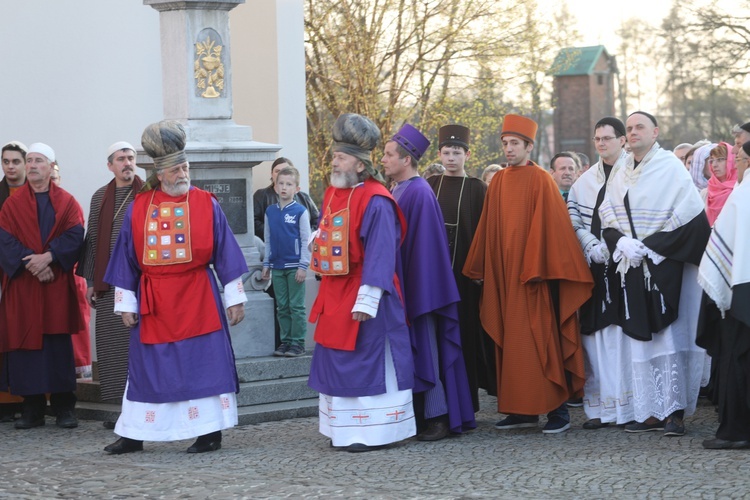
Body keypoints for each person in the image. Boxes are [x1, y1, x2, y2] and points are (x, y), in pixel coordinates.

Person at [102, 120, 248, 455]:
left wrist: (234, 297)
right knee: (148, 367)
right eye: (176, 169)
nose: (184, 173)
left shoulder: (206, 203)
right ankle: (135, 433)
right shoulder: (139, 207)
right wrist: (125, 301)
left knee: (203, 364)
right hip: (155, 301)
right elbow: (126, 253)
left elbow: (226, 250)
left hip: (198, 297)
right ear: (160, 173)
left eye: (185, 166)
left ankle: (209, 433)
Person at [463, 114, 593, 434]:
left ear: (529, 146)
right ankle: (521, 410)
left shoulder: (541, 181)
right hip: (504, 278)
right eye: (505, 143)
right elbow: (488, 229)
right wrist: (481, 267)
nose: (508, 149)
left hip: (533, 277)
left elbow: (554, 230)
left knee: (541, 341)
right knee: (510, 342)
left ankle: (557, 411)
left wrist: (535, 268)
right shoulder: (500, 182)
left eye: (514, 144)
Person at [307, 113, 415, 453]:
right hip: (334, 291)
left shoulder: (377, 199)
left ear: (360, 163)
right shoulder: (332, 193)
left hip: (366, 296)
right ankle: (343, 430)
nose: (334, 162)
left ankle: (374, 432)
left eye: (340, 157)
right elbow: (328, 228)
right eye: (334, 155)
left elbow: (381, 253)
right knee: (336, 363)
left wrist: (368, 299)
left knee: (365, 362)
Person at [598, 111, 711, 436]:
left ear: (655, 132)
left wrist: (650, 245)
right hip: (633, 264)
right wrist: (622, 242)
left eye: (639, 127)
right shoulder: (621, 170)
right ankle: (648, 411)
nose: (633, 133)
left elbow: (690, 216)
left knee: (670, 338)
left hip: (666, 263)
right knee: (641, 342)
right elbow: (607, 215)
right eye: (629, 128)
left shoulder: (670, 167)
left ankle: (674, 412)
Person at [381, 123, 475, 441]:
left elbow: (424, 248)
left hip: (422, 288)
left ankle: (438, 417)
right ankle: (421, 415)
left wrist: (416, 288)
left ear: (406, 159)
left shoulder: (419, 192)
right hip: (405, 285)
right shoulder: (398, 189)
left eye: (389, 154)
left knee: (429, 348)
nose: (383, 159)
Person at [0, 142, 85, 430]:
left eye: (39, 161)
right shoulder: (12, 204)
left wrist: (49, 258)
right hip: (24, 286)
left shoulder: (67, 201)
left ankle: (64, 408)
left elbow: (75, 235)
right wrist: (32, 264)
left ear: (50, 167)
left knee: (57, 346)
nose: (33, 165)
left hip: (55, 285)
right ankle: (32, 409)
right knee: (26, 349)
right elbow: (5, 239)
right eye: (30, 160)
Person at [426, 124, 495, 412]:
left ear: (467, 154)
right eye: (446, 152)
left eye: (457, 152)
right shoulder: (431, 185)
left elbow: (487, 233)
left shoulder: (478, 187)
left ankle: (466, 402)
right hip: (435, 275)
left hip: (466, 277)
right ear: (440, 154)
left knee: (464, 337)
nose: (451, 157)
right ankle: (439, 402)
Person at [567, 117, 631, 429]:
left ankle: (629, 407)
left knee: (623, 336)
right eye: (597, 139)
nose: (602, 143)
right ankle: (600, 408)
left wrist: (619, 245)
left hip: (626, 265)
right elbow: (574, 219)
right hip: (593, 264)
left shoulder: (636, 173)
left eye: (608, 138)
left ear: (622, 140)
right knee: (595, 335)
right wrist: (589, 243)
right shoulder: (584, 181)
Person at [78, 142, 144, 421]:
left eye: (130, 158)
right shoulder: (98, 197)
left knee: (140, 345)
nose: (127, 163)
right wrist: (91, 281)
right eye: (121, 159)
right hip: (109, 283)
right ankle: (120, 411)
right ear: (110, 165)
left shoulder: (148, 194)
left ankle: (143, 406)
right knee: (113, 348)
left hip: (141, 281)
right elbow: (92, 239)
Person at [696, 140, 750, 449]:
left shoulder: (742, 196)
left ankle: (737, 431)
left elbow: (722, 247)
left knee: (738, 358)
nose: (738, 164)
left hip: (741, 290)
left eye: (742, 159)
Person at [261, 166, 310, 358]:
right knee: (282, 306)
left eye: (289, 184)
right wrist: (267, 264)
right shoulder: (270, 212)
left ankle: (298, 342)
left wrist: (303, 265)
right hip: (278, 267)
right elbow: (268, 239)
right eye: (280, 183)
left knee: (296, 306)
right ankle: (286, 341)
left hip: (295, 267)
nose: (284, 187)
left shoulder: (300, 211)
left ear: (296, 189)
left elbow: (306, 240)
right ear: (275, 186)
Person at [51, 162, 92, 381]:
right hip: (43, 273)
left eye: (55, 178)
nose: (52, 182)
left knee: (76, 321)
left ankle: (80, 369)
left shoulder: (69, 203)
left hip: (70, 270)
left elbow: (75, 238)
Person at [0, 140, 28, 421]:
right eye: (6, 162)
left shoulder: (37, 194)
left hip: (28, 272)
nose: (10, 167)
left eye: (15, 161)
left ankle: (27, 398)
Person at [253, 157, 319, 239]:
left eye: (285, 170)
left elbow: (318, 220)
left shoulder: (304, 197)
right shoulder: (261, 195)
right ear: (271, 174)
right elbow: (253, 222)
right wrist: (275, 233)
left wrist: (306, 235)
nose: (281, 174)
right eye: (277, 171)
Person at [705, 142, 737, 226]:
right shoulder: (706, 192)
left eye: (720, 159)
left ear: (731, 161)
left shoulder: (740, 189)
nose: (714, 165)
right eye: (711, 161)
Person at [0, 141, 28, 211]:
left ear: (26, 164)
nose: (10, 166)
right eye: (6, 162)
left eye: (16, 162)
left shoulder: (37, 192)